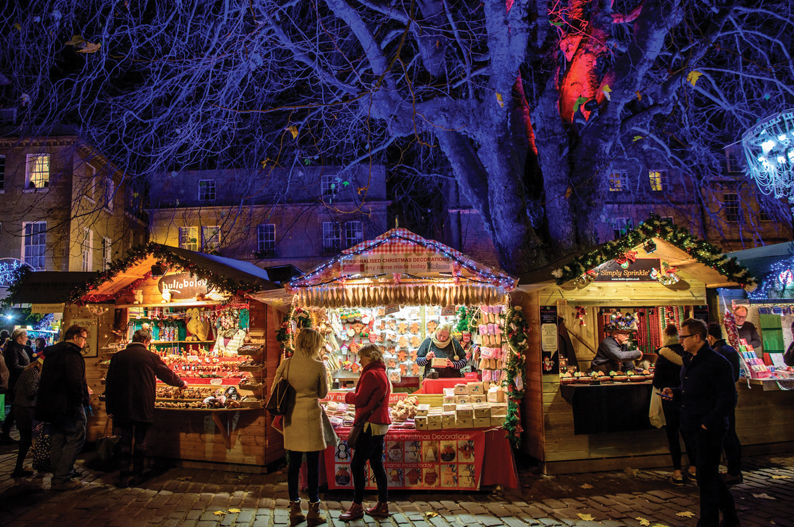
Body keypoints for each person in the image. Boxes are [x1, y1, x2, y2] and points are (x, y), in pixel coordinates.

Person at [662, 319, 739, 527]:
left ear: (697, 337)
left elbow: (729, 398)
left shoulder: (717, 362)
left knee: (706, 478)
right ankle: (731, 517)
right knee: (708, 475)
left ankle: (708, 521)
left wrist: (708, 422)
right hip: (692, 426)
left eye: (684, 337)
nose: (681, 341)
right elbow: (692, 390)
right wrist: (676, 393)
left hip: (709, 429)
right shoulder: (690, 360)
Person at [105, 329, 188, 487]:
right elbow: (166, 374)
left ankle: (123, 475)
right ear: (145, 341)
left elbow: (110, 384)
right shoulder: (150, 356)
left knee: (125, 439)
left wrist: (110, 408)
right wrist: (181, 383)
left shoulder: (118, 357)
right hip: (143, 403)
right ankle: (137, 474)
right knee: (140, 440)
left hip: (122, 404)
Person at [273, 328, 329, 527]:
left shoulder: (287, 364)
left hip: (292, 419)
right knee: (313, 466)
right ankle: (314, 510)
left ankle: (295, 509)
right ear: (314, 344)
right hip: (312, 419)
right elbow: (322, 393)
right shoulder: (318, 366)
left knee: (293, 466)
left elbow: (275, 391)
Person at [35, 325, 91, 491]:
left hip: (52, 405)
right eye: (84, 338)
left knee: (58, 438)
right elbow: (74, 381)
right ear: (75, 337)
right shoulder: (71, 355)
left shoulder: (51, 354)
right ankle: (62, 477)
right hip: (68, 404)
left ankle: (58, 475)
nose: (84, 342)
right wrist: (80, 399)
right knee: (77, 437)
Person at [340, 343, 391, 521]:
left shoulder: (370, 374)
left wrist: (347, 396)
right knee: (376, 464)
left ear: (369, 357)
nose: (359, 359)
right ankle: (383, 505)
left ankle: (356, 506)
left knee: (357, 464)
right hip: (379, 424)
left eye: (361, 356)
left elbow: (360, 400)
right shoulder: (381, 372)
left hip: (370, 424)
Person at [652, 324, 696, 485]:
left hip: (670, 399)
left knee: (673, 436)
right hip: (687, 398)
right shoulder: (688, 353)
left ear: (665, 335)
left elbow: (657, 381)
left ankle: (677, 472)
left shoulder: (663, 354)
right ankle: (693, 469)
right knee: (689, 434)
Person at [707, 323, 742, 486]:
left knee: (727, 435)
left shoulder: (717, 354)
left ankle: (733, 472)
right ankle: (734, 470)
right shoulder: (731, 350)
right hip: (730, 396)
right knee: (731, 434)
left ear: (710, 337)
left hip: (722, 398)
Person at [10, 357, 44, 477]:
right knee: (25, 439)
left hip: (22, 408)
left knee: (25, 439)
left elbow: (16, 388)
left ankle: (19, 467)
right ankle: (18, 468)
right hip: (25, 409)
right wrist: (44, 388)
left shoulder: (28, 371)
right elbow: (31, 391)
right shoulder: (33, 372)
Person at [2, 328, 31, 443]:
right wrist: (30, 368)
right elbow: (14, 367)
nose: (27, 338)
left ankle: (6, 433)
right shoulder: (14, 349)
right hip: (17, 384)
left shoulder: (19, 349)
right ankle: (6, 434)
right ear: (19, 339)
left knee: (16, 410)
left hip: (21, 382)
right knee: (16, 410)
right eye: (25, 336)